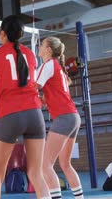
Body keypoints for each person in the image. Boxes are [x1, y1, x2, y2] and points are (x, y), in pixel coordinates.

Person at [0, 15, 50, 199]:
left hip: (10, 114)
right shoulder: (30, 54)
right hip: (35, 115)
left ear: (2, 33)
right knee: (36, 174)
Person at [36, 37, 83, 199]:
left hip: (64, 117)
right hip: (73, 117)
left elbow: (33, 87)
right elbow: (46, 98)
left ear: (48, 50)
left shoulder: (48, 65)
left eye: (42, 45)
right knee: (65, 164)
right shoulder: (58, 68)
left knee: (45, 164)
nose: (39, 47)